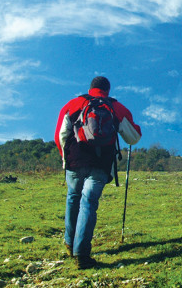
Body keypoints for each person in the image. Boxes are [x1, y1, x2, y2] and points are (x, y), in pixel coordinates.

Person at [54, 76, 142, 269]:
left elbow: (60, 135)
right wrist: (137, 129)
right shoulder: (116, 107)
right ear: (108, 90)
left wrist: (65, 158)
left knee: (73, 197)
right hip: (101, 163)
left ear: (91, 87)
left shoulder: (74, 103)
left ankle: (69, 244)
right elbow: (133, 138)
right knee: (89, 202)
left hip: (75, 160)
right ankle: (82, 255)